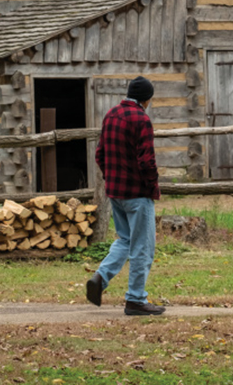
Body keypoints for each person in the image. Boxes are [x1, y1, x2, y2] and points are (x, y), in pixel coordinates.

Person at [86, 75, 165, 315]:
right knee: (143, 246)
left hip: (115, 192)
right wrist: (153, 186)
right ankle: (135, 299)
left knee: (125, 240)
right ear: (146, 99)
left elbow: (100, 154)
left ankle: (101, 277)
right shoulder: (142, 119)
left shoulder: (111, 114)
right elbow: (147, 161)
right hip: (137, 194)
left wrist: (111, 177)